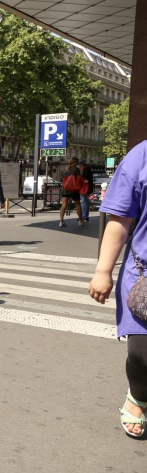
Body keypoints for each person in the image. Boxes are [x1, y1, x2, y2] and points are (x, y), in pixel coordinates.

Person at [89, 140, 147, 439]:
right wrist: (103, 271)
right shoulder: (142, 154)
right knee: (142, 357)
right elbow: (120, 218)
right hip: (144, 276)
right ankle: (139, 395)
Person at [59, 157, 84, 227]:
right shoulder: (76, 170)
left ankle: (61, 221)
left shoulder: (65, 169)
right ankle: (80, 220)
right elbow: (79, 179)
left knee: (64, 205)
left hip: (65, 188)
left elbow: (62, 179)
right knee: (78, 204)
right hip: (74, 189)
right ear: (75, 162)